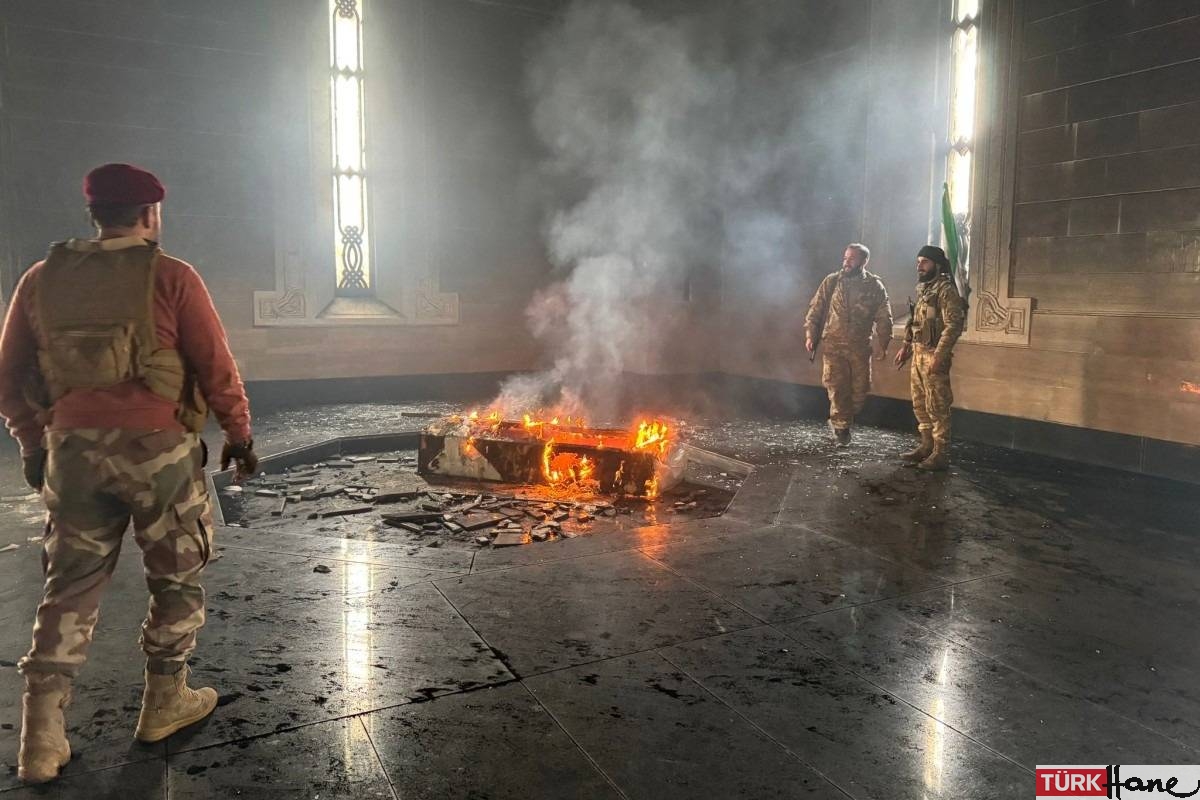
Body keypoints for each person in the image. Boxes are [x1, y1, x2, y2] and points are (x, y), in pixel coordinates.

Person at [0, 163, 259, 783]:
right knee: (175, 573)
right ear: (150, 214)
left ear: (95, 213)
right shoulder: (171, 276)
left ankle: (40, 736)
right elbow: (215, 368)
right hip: (159, 455)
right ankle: (163, 702)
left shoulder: (40, 280)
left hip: (73, 456)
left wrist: (34, 444)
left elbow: (8, 379)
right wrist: (241, 436)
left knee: (68, 587)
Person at [804, 243, 893, 445]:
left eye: (852, 258)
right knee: (836, 387)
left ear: (864, 261)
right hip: (833, 346)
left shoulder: (874, 286)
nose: (846, 262)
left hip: (860, 347)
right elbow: (816, 309)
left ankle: (844, 418)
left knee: (860, 390)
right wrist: (810, 334)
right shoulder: (832, 281)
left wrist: (884, 342)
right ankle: (841, 427)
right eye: (845, 257)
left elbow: (884, 315)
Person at [893, 245, 966, 471]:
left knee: (938, 405)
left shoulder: (946, 290)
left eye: (924, 262)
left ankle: (940, 453)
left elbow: (954, 325)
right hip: (918, 353)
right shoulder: (923, 289)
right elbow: (914, 320)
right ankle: (926, 446)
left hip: (934, 355)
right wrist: (906, 346)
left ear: (936, 264)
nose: (920, 266)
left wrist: (939, 355)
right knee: (920, 402)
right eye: (918, 262)